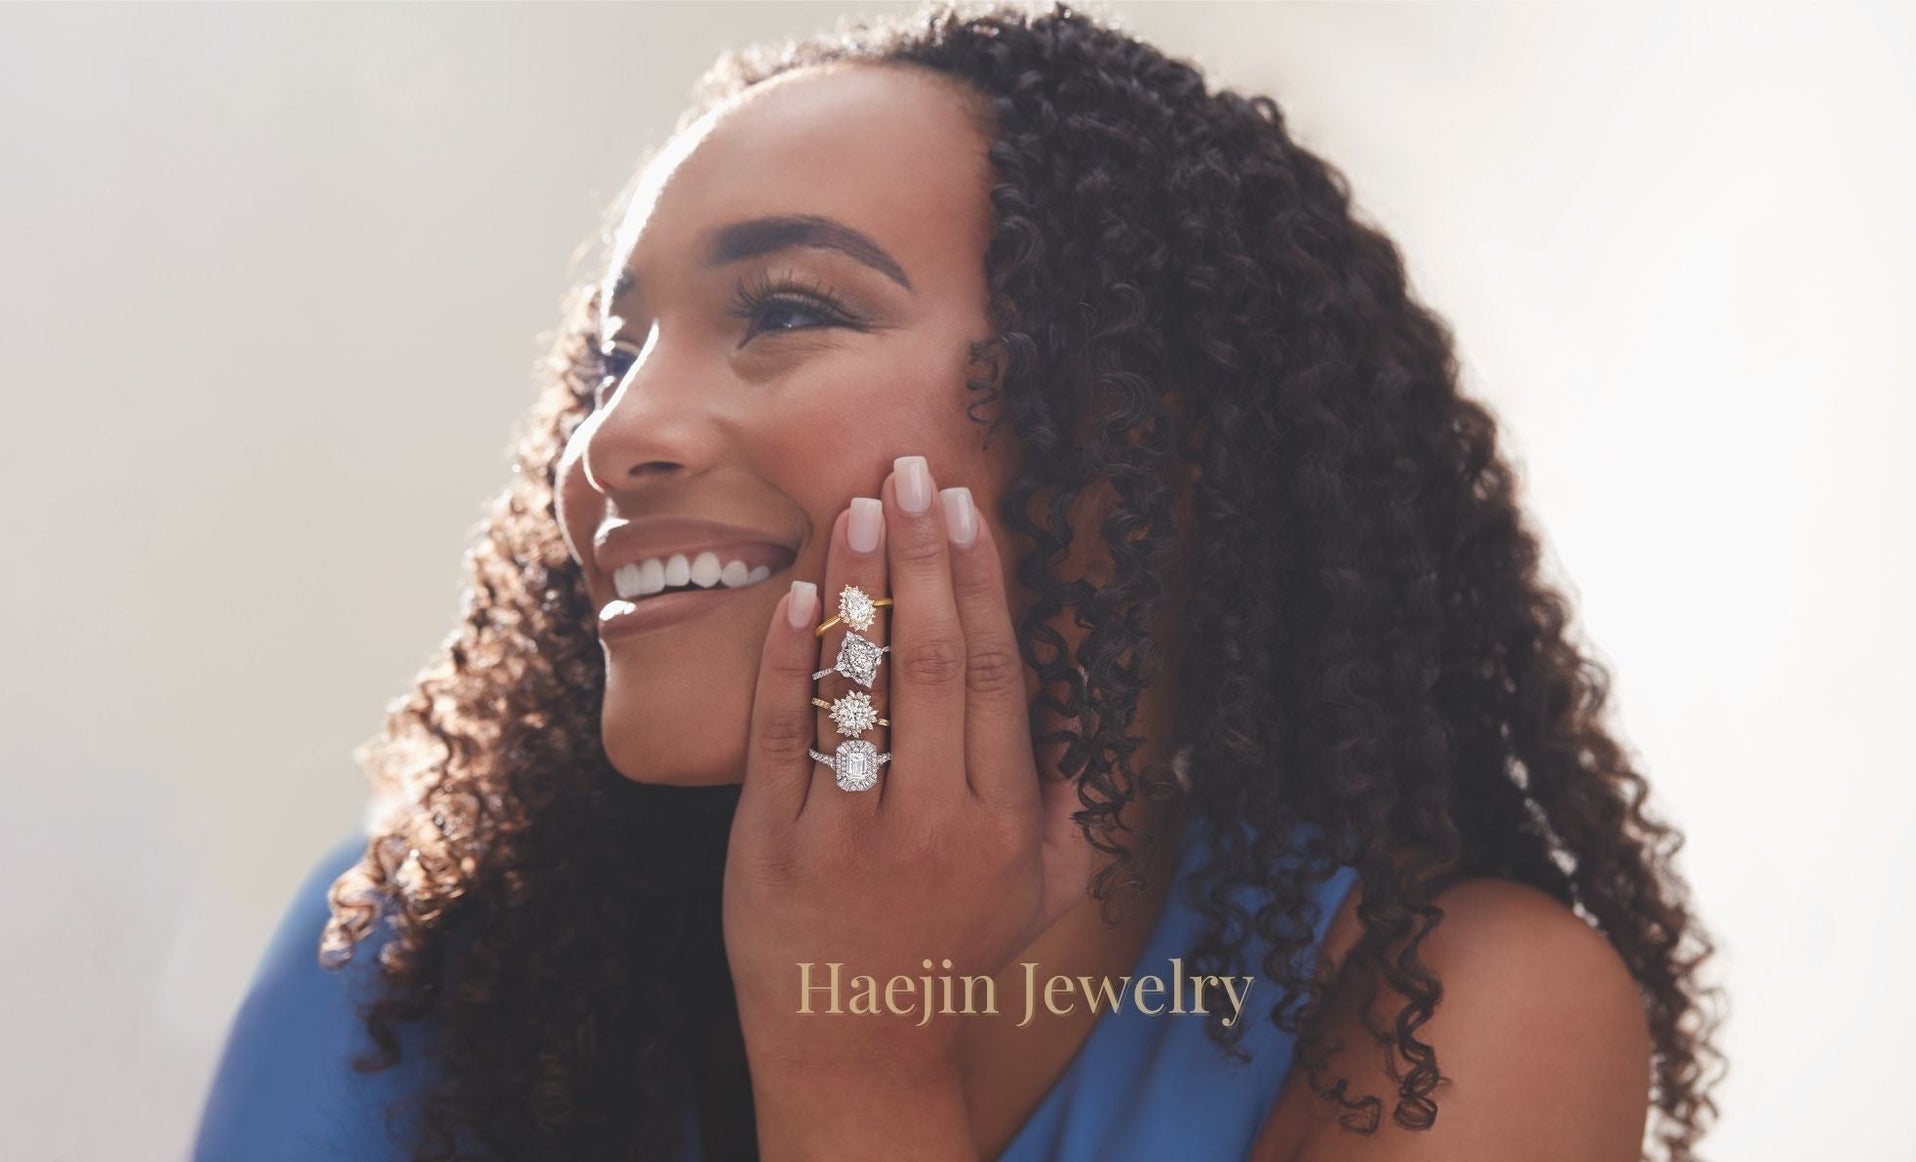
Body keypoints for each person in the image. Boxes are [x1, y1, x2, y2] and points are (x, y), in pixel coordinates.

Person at [194, 3, 1727, 1159]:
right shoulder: (403, 950)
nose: (612, 436)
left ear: (1134, 442)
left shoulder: (1446, 1008)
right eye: (613, 355)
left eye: (786, 309)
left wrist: (853, 1056)